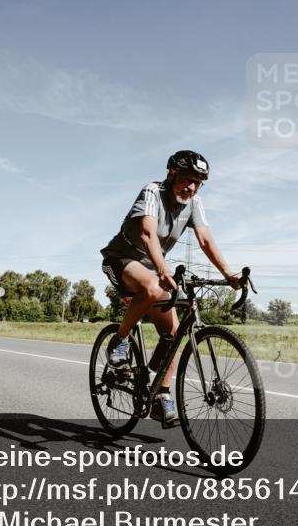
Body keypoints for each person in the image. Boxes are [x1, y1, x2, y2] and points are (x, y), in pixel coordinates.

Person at [100, 150, 240, 427]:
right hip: (122, 259)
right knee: (152, 287)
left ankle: (161, 395)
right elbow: (147, 233)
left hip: (152, 267)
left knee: (174, 334)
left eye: (198, 183)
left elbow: (205, 239)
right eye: (187, 180)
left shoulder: (194, 202)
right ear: (171, 173)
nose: (191, 187)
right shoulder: (152, 192)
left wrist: (228, 273)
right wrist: (163, 270)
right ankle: (120, 339)